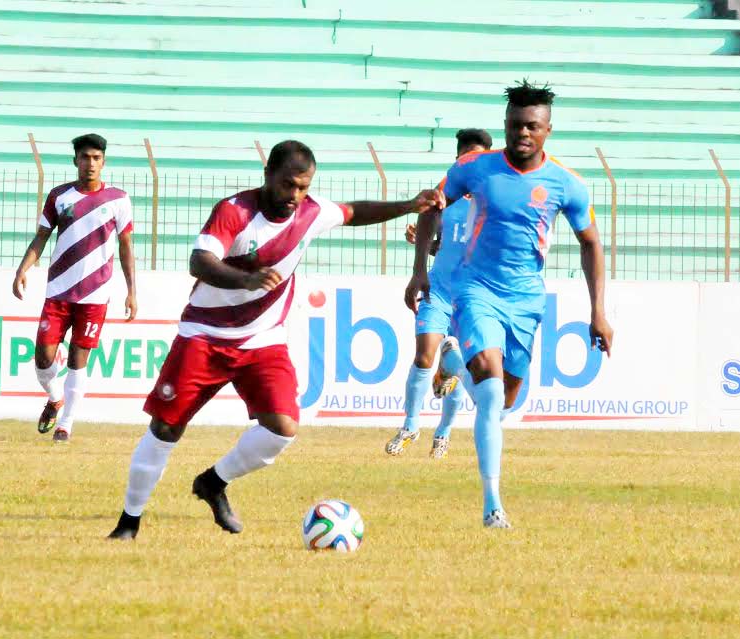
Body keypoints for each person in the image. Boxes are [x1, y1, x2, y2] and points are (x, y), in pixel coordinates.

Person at [107, 140, 445, 540]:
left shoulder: (310, 212)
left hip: (263, 340)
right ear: (268, 175)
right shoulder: (234, 211)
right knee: (166, 429)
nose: (295, 196)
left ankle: (214, 482)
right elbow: (200, 260)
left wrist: (408, 205)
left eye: (303, 187)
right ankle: (129, 522)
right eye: (288, 185)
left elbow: (354, 212)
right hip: (205, 335)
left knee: (282, 428)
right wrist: (246, 278)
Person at [407, 81, 614, 528]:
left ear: (548, 130)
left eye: (532, 127)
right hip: (475, 289)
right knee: (492, 387)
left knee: (503, 403)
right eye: (516, 125)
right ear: (505, 125)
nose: (523, 133)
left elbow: (591, 244)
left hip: (526, 300)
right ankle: (492, 504)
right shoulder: (474, 168)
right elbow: (431, 207)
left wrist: (597, 310)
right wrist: (419, 269)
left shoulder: (568, 184)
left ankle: (454, 369)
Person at [12, 133, 137, 442]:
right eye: (85, 157)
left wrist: (132, 290)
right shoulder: (59, 196)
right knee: (43, 356)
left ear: (103, 162)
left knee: (78, 359)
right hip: (58, 292)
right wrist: (23, 269)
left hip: (95, 295)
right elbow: (41, 236)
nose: (90, 163)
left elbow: (126, 247)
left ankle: (66, 425)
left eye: (96, 158)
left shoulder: (119, 199)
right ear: (75, 161)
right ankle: (56, 398)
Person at [385, 128, 492, 459]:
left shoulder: (495, 204)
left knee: (458, 364)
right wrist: (422, 246)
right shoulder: (446, 198)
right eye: (463, 156)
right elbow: (444, 249)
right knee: (424, 356)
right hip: (439, 288)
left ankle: (443, 432)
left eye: (475, 156)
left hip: (473, 296)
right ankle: (410, 424)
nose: (468, 161)